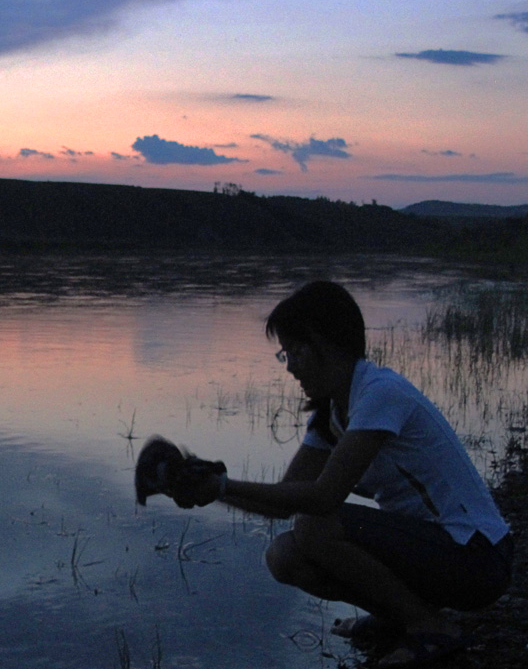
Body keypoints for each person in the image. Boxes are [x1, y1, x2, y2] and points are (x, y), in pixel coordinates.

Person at [188, 281, 512, 668]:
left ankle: (429, 626)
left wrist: (222, 484)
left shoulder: (381, 393)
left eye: (295, 350)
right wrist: (208, 487)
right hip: (429, 551)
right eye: (285, 354)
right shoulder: (331, 413)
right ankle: (401, 616)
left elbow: (324, 498)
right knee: (284, 556)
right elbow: (283, 499)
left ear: (324, 344)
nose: (290, 366)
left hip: (477, 557)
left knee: (314, 525)